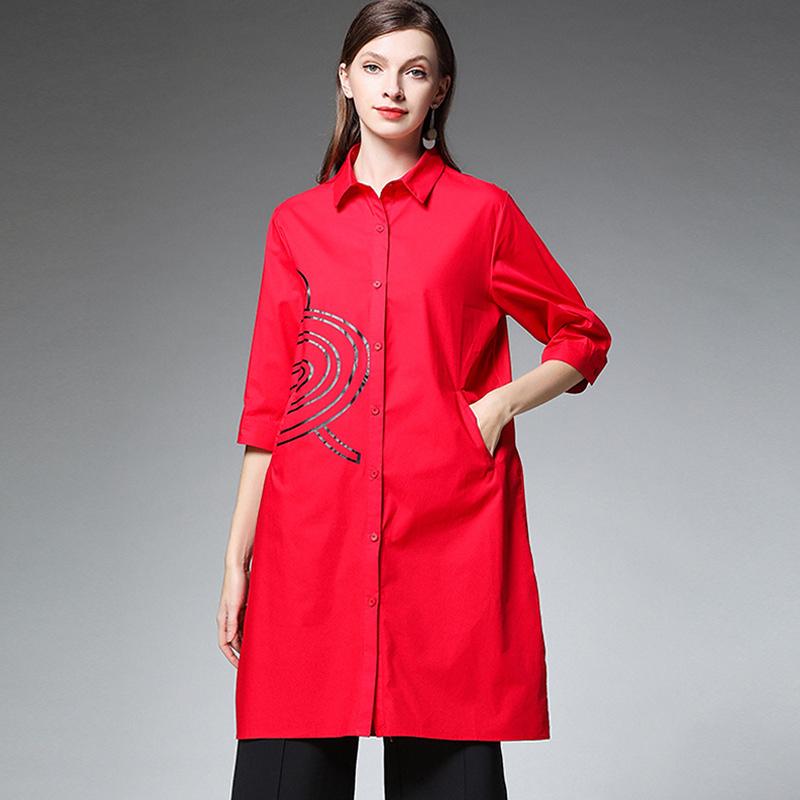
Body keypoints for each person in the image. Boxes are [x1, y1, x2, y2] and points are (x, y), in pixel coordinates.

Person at [217, 1, 612, 798]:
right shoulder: (296, 225)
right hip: (311, 547)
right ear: (345, 80)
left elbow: (581, 335)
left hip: (447, 545)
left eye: (415, 71)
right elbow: (270, 405)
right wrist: (236, 560)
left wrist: (499, 405)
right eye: (374, 67)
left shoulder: (483, 214)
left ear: (441, 90)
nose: (392, 88)